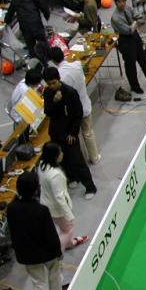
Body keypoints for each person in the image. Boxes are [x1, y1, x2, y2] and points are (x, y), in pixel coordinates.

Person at [6, 171, 63, 290]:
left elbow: (14, 232)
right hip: (48, 252)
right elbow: (51, 235)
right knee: (55, 279)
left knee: (40, 285)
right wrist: (58, 253)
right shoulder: (42, 210)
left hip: (29, 254)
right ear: (36, 189)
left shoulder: (11, 208)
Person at [42, 67, 97, 199]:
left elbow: (78, 114)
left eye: (54, 83)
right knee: (63, 159)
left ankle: (90, 187)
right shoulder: (48, 93)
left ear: (59, 79)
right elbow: (47, 112)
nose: (51, 86)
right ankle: (72, 177)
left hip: (69, 133)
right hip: (56, 132)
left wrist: (73, 132)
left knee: (77, 160)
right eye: (49, 84)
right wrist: (55, 102)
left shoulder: (70, 92)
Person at [48, 46, 100, 165]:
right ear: (63, 54)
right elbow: (82, 76)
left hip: (72, 112)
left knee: (77, 136)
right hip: (84, 105)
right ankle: (95, 157)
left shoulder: (59, 77)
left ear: (53, 61)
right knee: (88, 132)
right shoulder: (77, 65)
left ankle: (83, 159)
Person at [38, 142, 88, 252]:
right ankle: (58, 251)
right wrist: (69, 215)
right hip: (56, 208)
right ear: (54, 156)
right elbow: (59, 197)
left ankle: (69, 243)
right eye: (60, 152)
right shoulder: (55, 175)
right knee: (68, 229)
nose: (62, 153)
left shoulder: (42, 165)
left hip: (46, 202)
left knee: (63, 227)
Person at [5, 0, 50, 64]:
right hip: (36, 24)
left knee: (31, 46)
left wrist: (7, 21)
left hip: (25, 26)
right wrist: (46, 16)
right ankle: (47, 61)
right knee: (43, 43)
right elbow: (44, 6)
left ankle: (35, 64)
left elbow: (10, 13)